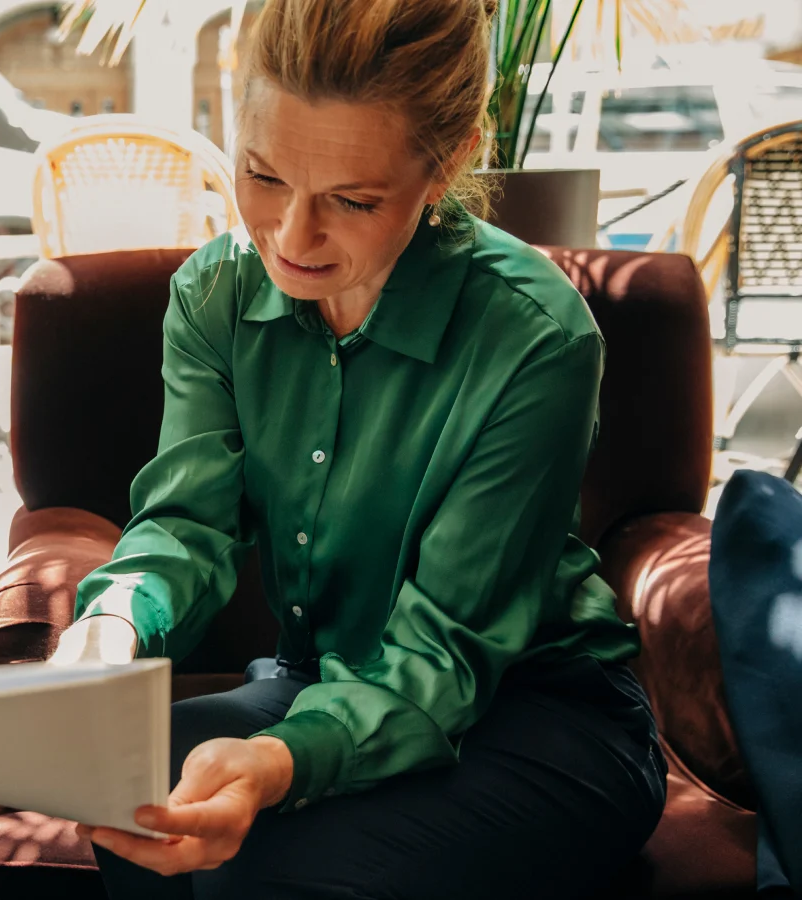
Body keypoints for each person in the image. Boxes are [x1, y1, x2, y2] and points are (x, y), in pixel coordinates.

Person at [47, 1, 667, 896]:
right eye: (262, 177)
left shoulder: (536, 340)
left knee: (263, 872)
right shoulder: (214, 295)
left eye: (352, 199)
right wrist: (112, 623)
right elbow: (185, 521)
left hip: (540, 716)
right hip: (320, 681)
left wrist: (280, 762)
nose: (290, 240)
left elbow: (447, 651)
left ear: (446, 163)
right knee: (125, 796)